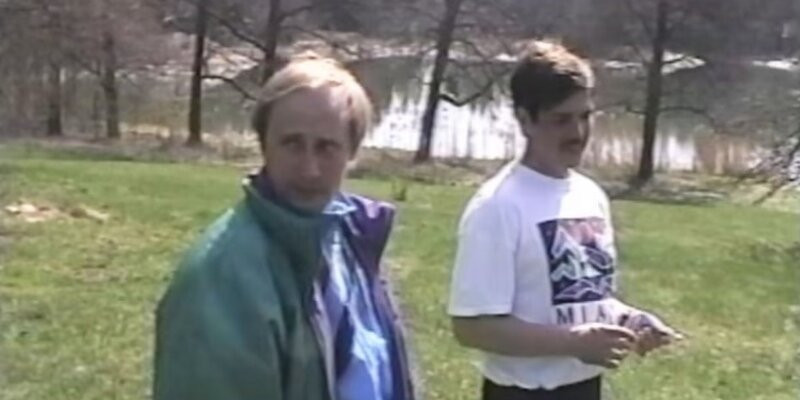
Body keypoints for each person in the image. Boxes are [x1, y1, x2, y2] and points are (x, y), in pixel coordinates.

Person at [153, 54, 415, 400]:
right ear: (264, 144)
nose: (309, 169)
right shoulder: (222, 276)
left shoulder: (351, 237)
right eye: (292, 143)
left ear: (351, 152)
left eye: (326, 147)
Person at [447, 40, 682, 400]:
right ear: (525, 120)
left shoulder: (590, 196)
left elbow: (582, 297)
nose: (577, 133)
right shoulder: (498, 207)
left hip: (585, 389)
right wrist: (573, 342)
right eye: (561, 120)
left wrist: (628, 319)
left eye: (585, 116)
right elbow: (471, 326)